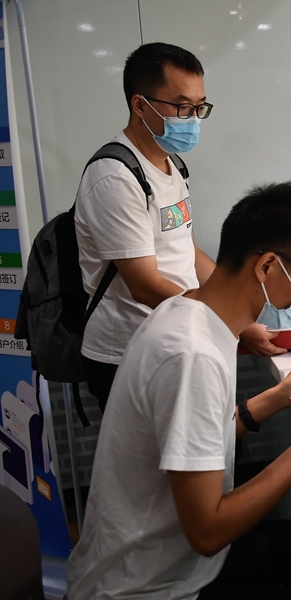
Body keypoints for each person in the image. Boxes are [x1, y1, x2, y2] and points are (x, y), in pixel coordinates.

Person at [67, 182, 291, 599]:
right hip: (150, 585)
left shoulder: (187, 313)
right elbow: (208, 532)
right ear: (267, 266)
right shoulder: (191, 355)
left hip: (171, 550)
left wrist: (279, 395)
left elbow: (199, 436)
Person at [75, 42, 280, 412]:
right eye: (182, 107)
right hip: (131, 352)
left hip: (180, 332)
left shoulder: (172, 165)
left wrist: (235, 298)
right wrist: (226, 317)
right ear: (140, 105)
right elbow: (144, 285)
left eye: (200, 107)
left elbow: (187, 250)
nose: (193, 119)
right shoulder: (115, 176)